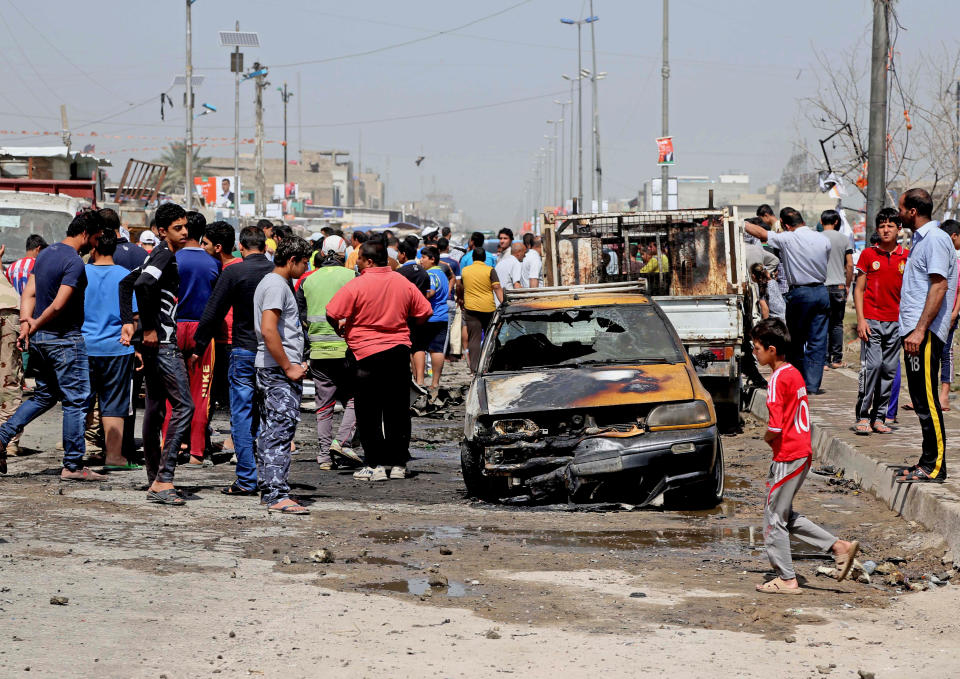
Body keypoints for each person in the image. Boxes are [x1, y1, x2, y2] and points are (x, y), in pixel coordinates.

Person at [750, 318, 859, 594]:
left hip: (788, 455)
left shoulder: (776, 380)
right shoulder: (794, 373)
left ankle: (787, 579)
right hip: (802, 452)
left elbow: (774, 425)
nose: (755, 352)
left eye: (757, 348)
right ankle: (838, 547)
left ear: (771, 350)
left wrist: (766, 439)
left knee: (774, 517)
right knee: (782, 514)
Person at [0, 210, 104, 480]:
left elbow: (29, 293)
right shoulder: (74, 262)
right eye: (96, 238)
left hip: (41, 340)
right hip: (65, 339)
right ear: (85, 234)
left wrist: (27, 323)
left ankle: (1, 436)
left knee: (45, 396)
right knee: (76, 400)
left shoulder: (45, 254)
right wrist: (33, 324)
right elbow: (59, 304)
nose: (97, 244)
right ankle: (72, 465)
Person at [325, 239, 433, 482]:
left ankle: (375, 465)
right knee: (397, 410)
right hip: (397, 353)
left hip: (364, 354)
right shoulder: (401, 282)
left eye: (360, 258)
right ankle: (398, 464)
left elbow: (331, 313)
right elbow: (425, 311)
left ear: (369, 260)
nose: (358, 262)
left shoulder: (357, 285)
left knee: (368, 411)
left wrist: (341, 330)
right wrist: (405, 327)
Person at [119, 203, 193, 505]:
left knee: (155, 409)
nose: (185, 231)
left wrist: (128, 321)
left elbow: (127, 283)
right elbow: (144, 283)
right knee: (184, 406)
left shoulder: (158, 255)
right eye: (178, 228)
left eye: (185, 226)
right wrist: (147, 328)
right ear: (162, 231)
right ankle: (163, 480)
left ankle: (154, 479)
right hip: (162, 344)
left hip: (155, 344)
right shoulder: (163, 254)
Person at [192, 226, 275, 496]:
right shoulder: (276, 273)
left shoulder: (234, 272)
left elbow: (213, 312)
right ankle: (270, 476)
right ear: (264, 245)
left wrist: (198, 344)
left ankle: (246, 480)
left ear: (241, 246)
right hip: (272, 352)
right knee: (269, 415)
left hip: (242, 350)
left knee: (241, 414)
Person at [895, 188, 957, 484]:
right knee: (920, 398)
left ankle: (936, 466)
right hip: (915, 331)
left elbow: (939, 286)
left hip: (926, 332)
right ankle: (926, 460)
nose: (898, 213)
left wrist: (920, 330)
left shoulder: (934, 239)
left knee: (929, 399)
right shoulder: (922, 240)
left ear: (912, 212)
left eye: (900, 208)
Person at [253, 236, 312, 513]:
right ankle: (276, 495)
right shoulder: (276, 285)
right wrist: (289, 366)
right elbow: (268, 329)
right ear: (292, 261)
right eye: (304, 263)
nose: (306, 268)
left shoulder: (273, 283)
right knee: (279, 431)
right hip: (278, 369)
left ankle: (270, 489)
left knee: (270, 430)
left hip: (272, 367)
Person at [745, 207, 832, 394]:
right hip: (821, 292)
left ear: (785, 225)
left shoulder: (788, 237)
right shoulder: (823, 239)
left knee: (795, 340)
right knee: (817, 341)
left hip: (800, 293)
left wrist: (739, 223)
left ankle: (797, 381)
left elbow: (761, 233)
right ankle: (812, 385)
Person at [295, 235, 361, 470]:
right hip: (347, 350)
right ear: (344, 254)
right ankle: (341, 441)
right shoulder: (353, 277)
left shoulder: (306, 280)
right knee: (355, 399)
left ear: (322, 253)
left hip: (318, 352)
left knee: (323, 405)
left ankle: (324, 456)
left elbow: (300, 318)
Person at [161, 211, 220, 466]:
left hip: (172, 328)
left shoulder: (171, 259)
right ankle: (197, 451)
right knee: (201, 392)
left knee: (172, 393)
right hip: (202, 332)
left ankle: (169, 446)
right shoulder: (212, 263)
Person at [82, 228, 139, 470]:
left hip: (83, 347)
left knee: (79, 402)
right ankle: (114, 456)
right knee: (113, 402)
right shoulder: (125, 275)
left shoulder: (80, 273)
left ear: (93, 248)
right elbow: (134, 317)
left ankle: (74, 454)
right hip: (118, 348)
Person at [852, 207, 907, 435]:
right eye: (882, 226)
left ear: (898, 229)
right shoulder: (868, 255)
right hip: (872, 321)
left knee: (888, 370)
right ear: (877, 229)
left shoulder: (906, 256)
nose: (886, 230)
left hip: (896, 323)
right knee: (872, 367)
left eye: (890, 226)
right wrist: (861, 320)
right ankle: (863, 415)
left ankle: (880, 416)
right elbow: (859, 290)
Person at [201, 221, 240, 419]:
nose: (202, 247)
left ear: (218, 247)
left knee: (231, 395)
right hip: (219, 339)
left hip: (229, 341)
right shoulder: (213, 267)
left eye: (205, 243)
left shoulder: (232, 269)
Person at [459, 247, 504, 373]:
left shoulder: (465, 271)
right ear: (484, 258)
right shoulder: (490, 270)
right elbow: (497, 287)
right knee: (491, 337)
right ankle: (489, 365)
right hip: (488, 308)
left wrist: (461, 300)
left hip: (471, 308)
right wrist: (504, 303)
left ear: (473, 258)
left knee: (474, 338)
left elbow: (460, 287)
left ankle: (474, 368)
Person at [820, 210, 854, 369]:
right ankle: (837, 359)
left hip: (821, 286)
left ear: (821, 221)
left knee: (822, 323)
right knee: (837, 324)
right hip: (838, 286)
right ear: (836, 222)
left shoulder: (817, 238)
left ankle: (824, 361)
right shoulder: (844, 239)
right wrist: (847, 285)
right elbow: (850, 265)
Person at [413, 246, 449, 392]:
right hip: (442, 316)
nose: (421, 260)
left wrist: (418, 297)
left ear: (432, 259)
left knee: (419, 347)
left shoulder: (430, 274)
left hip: (428, 317)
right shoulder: (443, 274)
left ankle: (420, 381)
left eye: (423, 258)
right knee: (437, 349)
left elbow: (431, 291)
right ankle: (435, 383)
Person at [937, 220, 960, 410]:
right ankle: (924, 394)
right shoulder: (940, 254)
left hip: (950, 312)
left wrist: (954, 312)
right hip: (933, 313)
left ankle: (944, 394)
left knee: (946, 353)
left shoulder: (957, 258)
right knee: (928, 354)